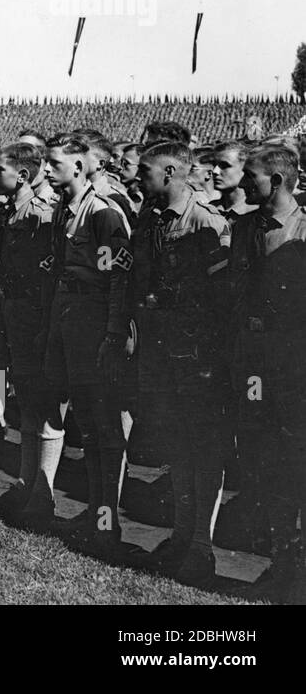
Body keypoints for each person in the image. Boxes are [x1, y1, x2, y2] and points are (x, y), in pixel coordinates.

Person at [131, 140, 231, 583]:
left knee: (202, 446)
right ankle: (182, 534)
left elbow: (221, 297)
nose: (139, 178)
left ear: (170, 173)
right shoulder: (151, 217)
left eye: (147, 171)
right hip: (161, 351)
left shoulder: (205, 222)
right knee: (175, 445)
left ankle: (202, 547)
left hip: (197, 355)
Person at [42, 133, 134, 555]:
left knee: (102, 424)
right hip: (69, 317)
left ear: (78, 167)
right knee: (89, 424)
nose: (46, 170)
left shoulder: (102, 213)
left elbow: (116, 277)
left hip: (93, 323)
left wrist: (113, 333)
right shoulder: (69, 209)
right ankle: (98, 513)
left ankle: (106, 520)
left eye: (54, 164)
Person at [231, 144, 306, 601]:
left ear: (276, 181)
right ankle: (282, 561)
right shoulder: (244, 227)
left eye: (251, 177)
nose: (243, 184)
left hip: (295, 369)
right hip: (252, 367)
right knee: (267, 464)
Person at [0, 141, 58, 524]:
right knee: (25, 403)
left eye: (0, 170)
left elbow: (47, 271)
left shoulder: (40, 215)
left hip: (32, 312)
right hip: (11, 308)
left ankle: (41, 492)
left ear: (23, 176)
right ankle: (25, 480)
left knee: (40, 402)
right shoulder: (9, 212)